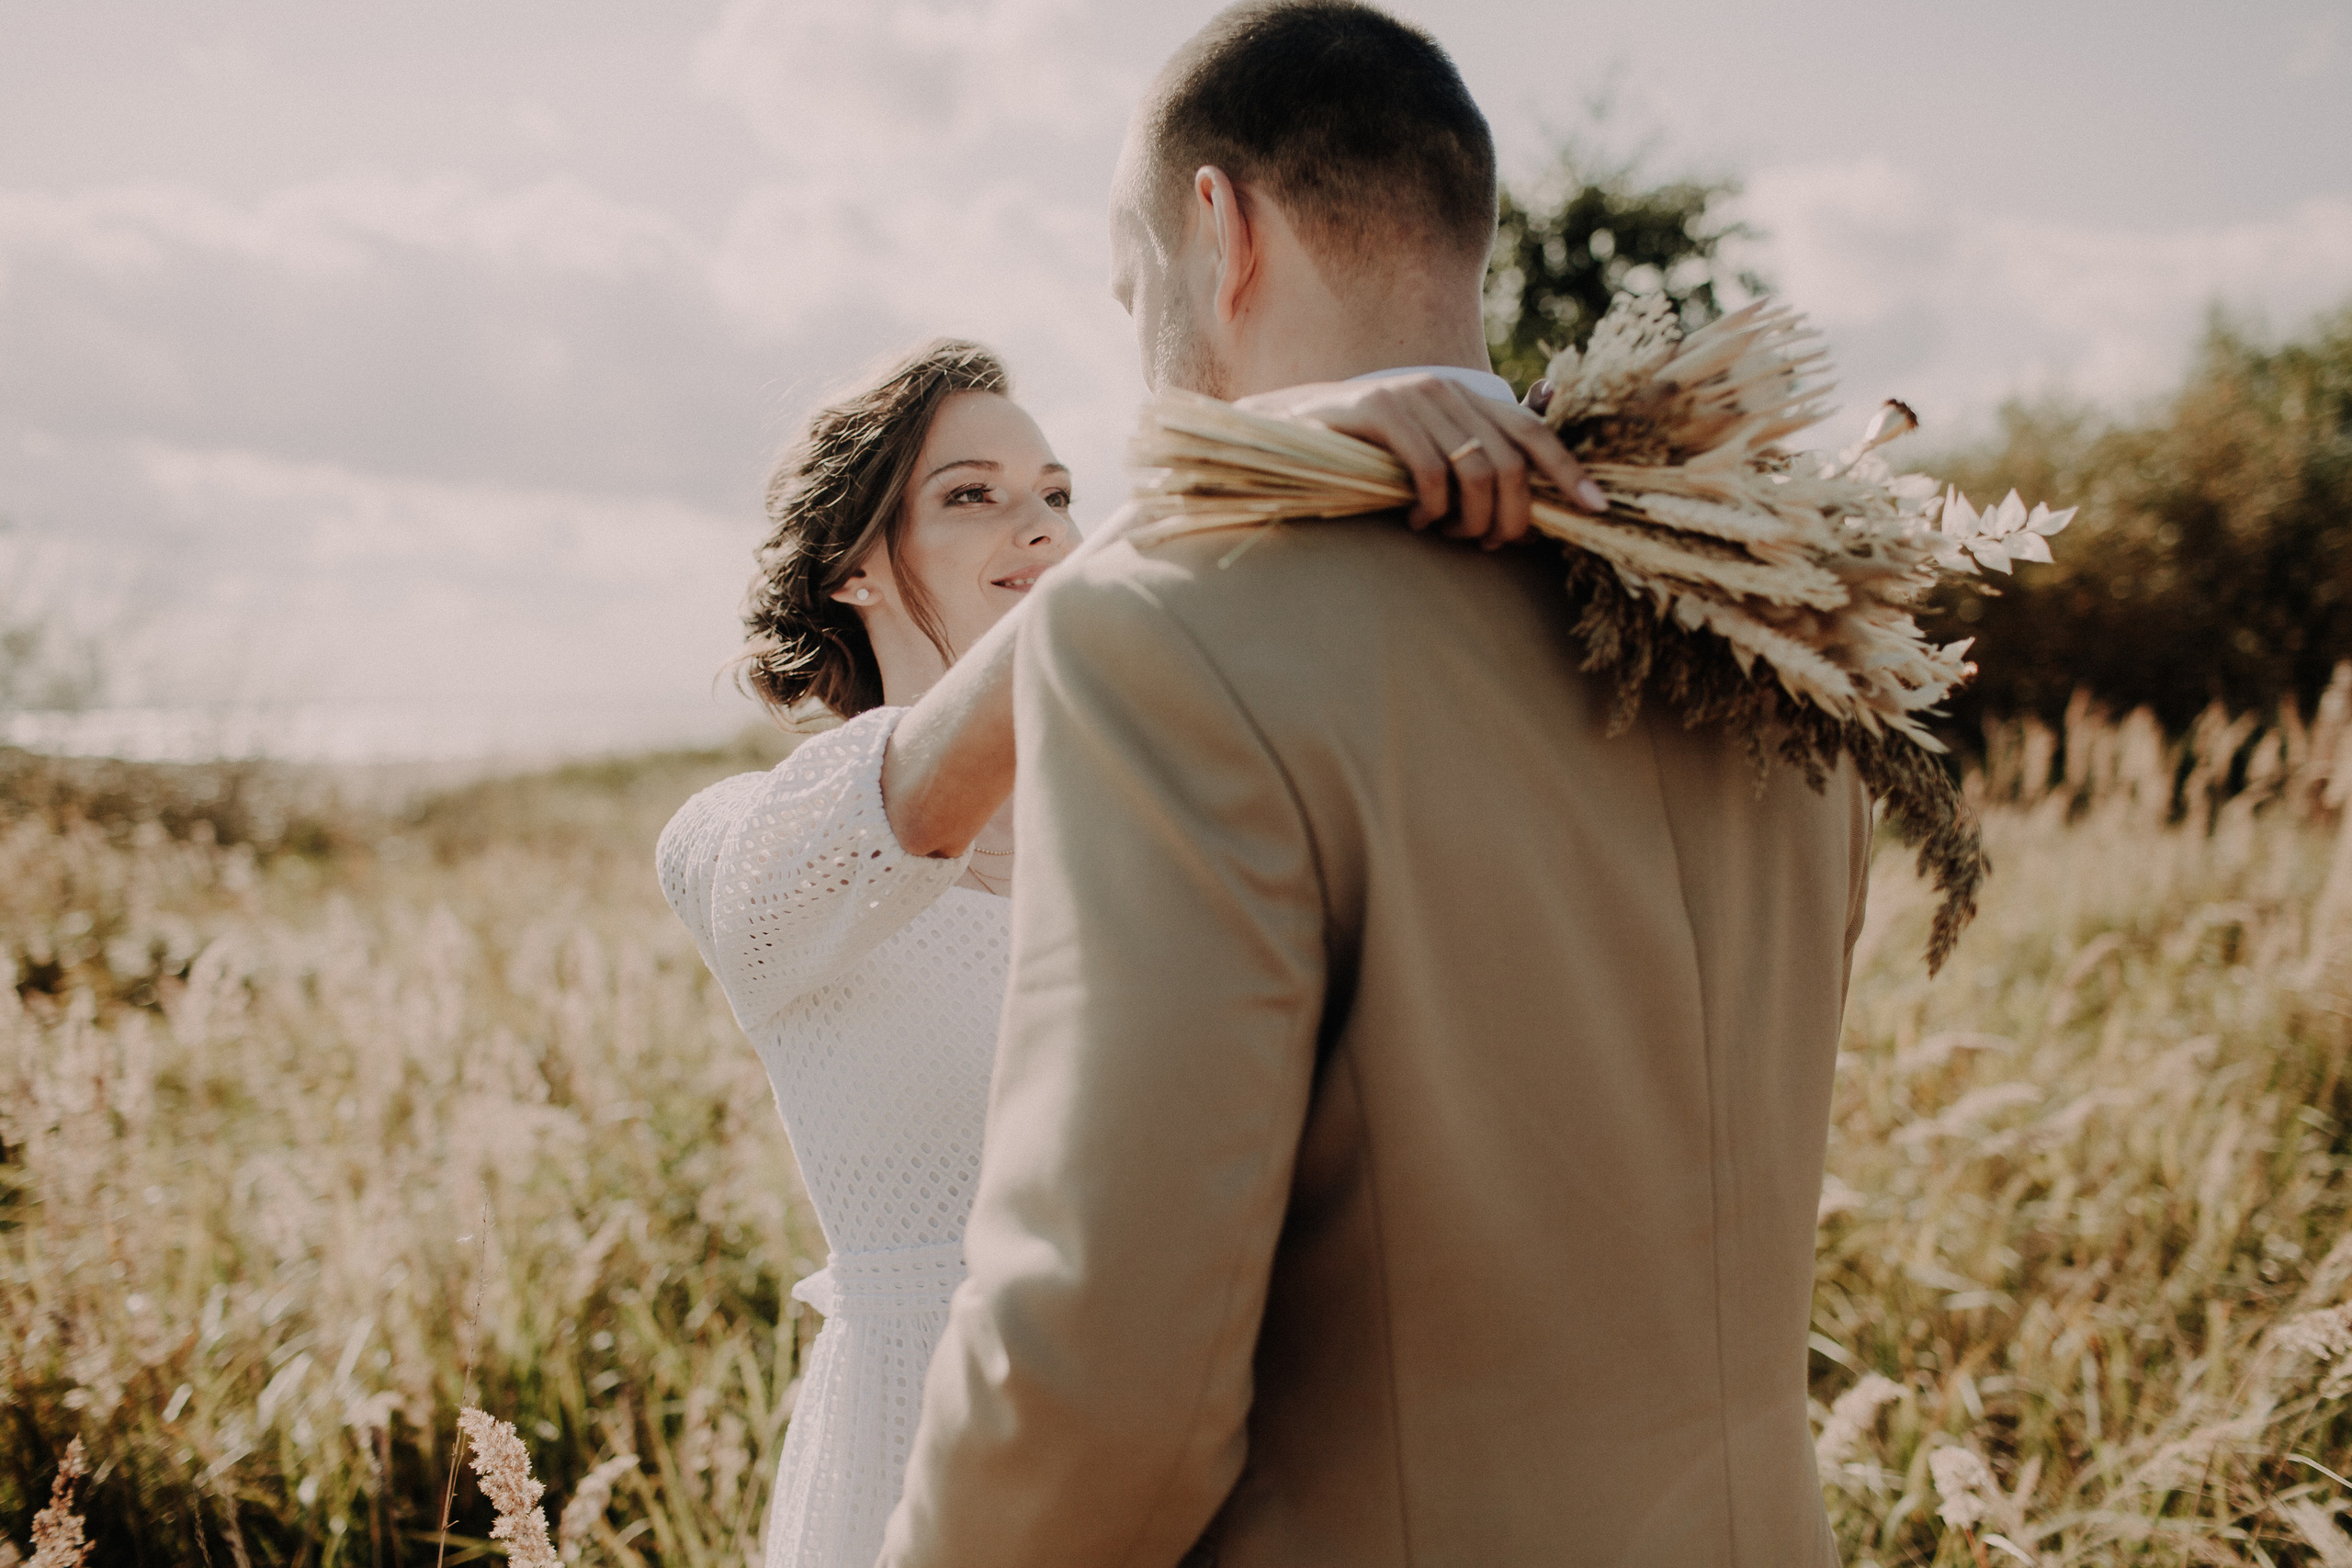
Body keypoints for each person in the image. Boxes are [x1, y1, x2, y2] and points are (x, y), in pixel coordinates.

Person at [878, 5, 1872, 1566]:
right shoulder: (1780, 641)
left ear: (1222, 230)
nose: (1141, 350)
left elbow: (1103, 1366)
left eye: (1133, 293)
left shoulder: (1167, 637)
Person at [656, 334, 1594, 1566]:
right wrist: (1249, 460)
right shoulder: (743, 848)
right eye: (972, 497)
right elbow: (910, 800)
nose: (1041, 529)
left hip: (1200, 1460)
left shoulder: (1168, 829)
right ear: (852, 570)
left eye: (1057, 494)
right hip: (915, 1448)